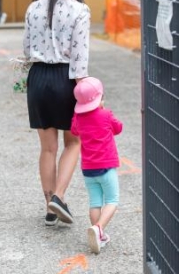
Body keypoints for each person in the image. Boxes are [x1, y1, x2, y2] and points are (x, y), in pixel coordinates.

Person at [23, 0, 90, 226]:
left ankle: (49, 207)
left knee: (47, 148)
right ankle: (59, 197)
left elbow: (27, 51)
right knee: (73, 142)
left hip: (38, 78)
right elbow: (80, 59)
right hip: (66, 78)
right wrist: (86, 94)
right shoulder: (80, 10)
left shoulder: (32, 8)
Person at [71, 77, 123, 254]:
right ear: (99, 99)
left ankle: (98, 236)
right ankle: (99, 228)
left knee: (95, 202)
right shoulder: (105, 114)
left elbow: (74, 131)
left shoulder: (78, 117)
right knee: (112, 200)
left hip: (88, 169)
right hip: (106, 167)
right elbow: (118, 128)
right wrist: (104, 111)